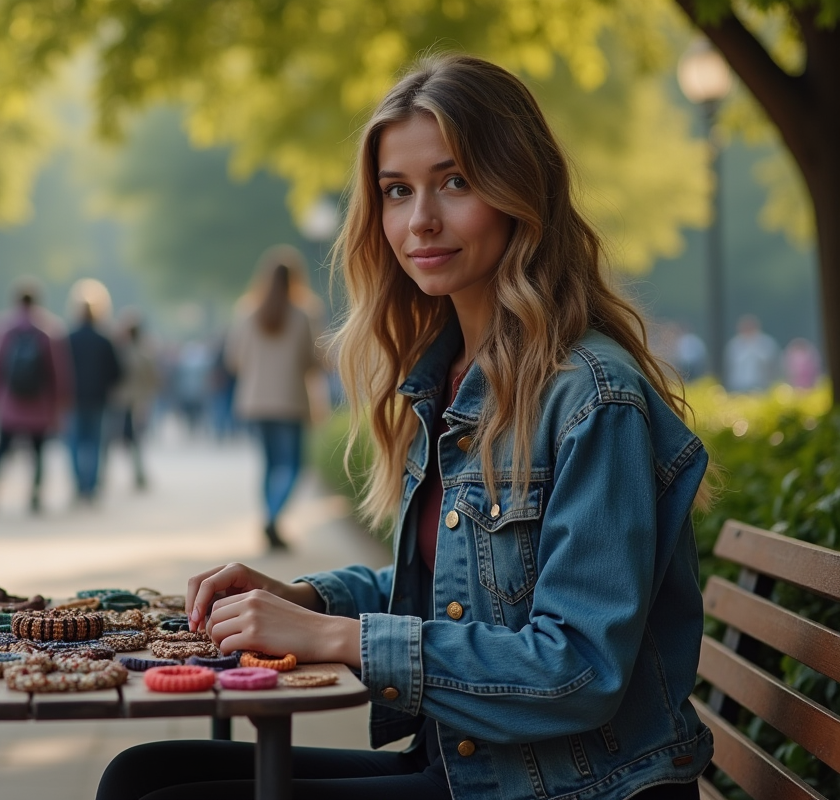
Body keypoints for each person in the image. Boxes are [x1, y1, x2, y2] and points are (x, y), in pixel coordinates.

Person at [98, 54, 711, 800]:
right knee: (142, 773)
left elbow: (578, 667)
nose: (420, 219)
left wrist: (336, 640)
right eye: (397, 191)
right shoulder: (452, 371)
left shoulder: (591, 396)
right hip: (478, 765)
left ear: (521, 191)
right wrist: (310, 600)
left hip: (573, 785)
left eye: (455, 182)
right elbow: (478, 587)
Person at [225, 245, 323, 550]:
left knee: (269, 465)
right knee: (294, 465)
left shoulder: (246, 312)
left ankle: (269, 517)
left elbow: (233, 360)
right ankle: (273, 517)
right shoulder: (304, 314)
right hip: (290, 400)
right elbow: (313, 361)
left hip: (255, 401)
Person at [0, 280, 71, 512]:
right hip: (39, 405)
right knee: (38, 452)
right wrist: (59, 403)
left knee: (0, 449)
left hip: (10, 404)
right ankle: (36, 495)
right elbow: (57, 371)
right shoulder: (49, 329)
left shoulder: (4, 327)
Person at [66, 279, 121, 503]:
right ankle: (92, 485)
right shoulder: (104, 340)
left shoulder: (69, 339)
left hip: (74, 399)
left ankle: (79, 483)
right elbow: (117, 372)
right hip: (98, 399)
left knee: (75, 443)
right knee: (96, 443)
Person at [112, 309, 161, 490]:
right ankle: (138, 474)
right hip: (138, 401)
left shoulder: (121, 351)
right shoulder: (145, 353)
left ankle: (132, 474)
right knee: (135, 440)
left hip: (123, 401)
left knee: (122, 439)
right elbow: (153, 379)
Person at [724, 314, 779, 393]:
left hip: (760, 384)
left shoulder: (766, 343)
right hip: (738, 384)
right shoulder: (734, 344)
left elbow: (772, 364)